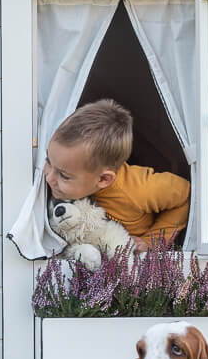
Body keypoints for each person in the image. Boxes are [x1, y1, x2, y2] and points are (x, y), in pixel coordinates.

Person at [43, 99, 189, 251]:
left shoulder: (138, 189)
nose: (49, 178)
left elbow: (185, 196)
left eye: (64, 175)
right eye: (48, 161)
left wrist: (151, 241)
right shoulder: (67, 177)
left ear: (103, 179)